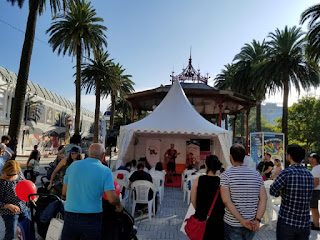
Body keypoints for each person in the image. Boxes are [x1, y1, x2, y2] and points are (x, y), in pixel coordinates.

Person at [61, 143, 123, 240]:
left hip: (70, 217)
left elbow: (64, 192)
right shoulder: (105, 171)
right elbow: (111, 199)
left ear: (88, 154)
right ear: (103, 156)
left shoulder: (73, 166)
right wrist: (119, 204)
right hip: (91, 219)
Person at [220, 144, 267, 240]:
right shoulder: (256, 175)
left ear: (231, 157)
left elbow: (226, 201)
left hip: (232, 224)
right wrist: (257, 220)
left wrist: (241, 220)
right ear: (244, 157)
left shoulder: (226, 176)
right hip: (252, 224)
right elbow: (263, 198)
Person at [270, 144, 314, 239]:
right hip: (305, 222)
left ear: (289, 156)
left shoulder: (286, 173)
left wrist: (281, 192)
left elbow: (272, 190)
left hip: (287, 221)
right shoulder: (309, 175)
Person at [190, 155, 225, 239]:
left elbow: (193, 201)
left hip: (201, 218)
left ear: (206, 165)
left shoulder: (198, 179)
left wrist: (199, 210)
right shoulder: (222, 181)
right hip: (218, 220)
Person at [0, 160, 29, 240]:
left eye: (14, 174)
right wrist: (8, 206)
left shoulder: (19, 175)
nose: (11, 177)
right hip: (9, 213)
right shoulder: (2, 183)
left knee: (26, 231)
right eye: (9, 175)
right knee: (11, 235)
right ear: (4, 171)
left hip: (23, 208)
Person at [308, 153, 320, 230]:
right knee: (313, 208)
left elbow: (316, 182)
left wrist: (309, 189)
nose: (309, 159)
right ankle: (315, 223)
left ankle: (316, 225)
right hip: (316, 190)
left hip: (315, 191)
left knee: (314, 208)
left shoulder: (316, 168)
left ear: (314, 159)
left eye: (310, 158)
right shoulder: (316, 168)